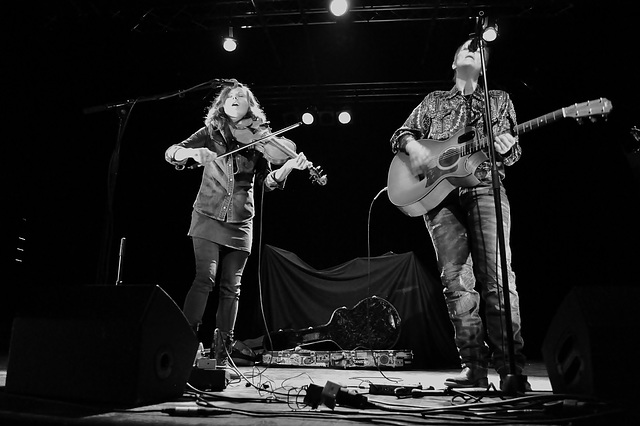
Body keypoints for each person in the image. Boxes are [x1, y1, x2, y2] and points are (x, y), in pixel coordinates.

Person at [390, 38, 529, 391]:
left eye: (478, 49)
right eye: (465, 47)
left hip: (485, 186)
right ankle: (473, 367)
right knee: (455, 280)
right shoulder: (434, 101)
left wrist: (507, 146)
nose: (472, 49)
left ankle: (511, 367)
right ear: (454, 62)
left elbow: (513, 154)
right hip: (437, 195)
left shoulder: (498, 100)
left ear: (483, 65)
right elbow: (400, 134)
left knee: (497, 276)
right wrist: (415, 146)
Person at [165, 79, 310, 364]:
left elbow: (267, 183)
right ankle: (185, 341)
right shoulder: (210, 132)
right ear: (222, 103)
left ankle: (222, 351)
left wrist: (289, 167)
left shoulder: (260, 138)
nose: (234, 98)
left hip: (242, 220)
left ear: (249, 106)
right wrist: (191, 153)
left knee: (232, 286)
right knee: (204, 278)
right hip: (207, 214)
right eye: (230, 95)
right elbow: (172, 152)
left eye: (241, 96)